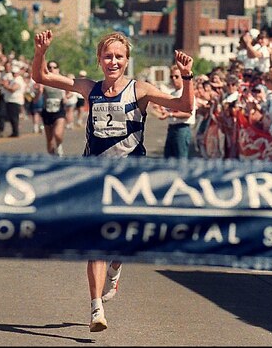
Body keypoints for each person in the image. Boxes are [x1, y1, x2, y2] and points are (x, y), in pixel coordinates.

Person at [32, 29, 194, 332]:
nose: (113, 61)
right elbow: (41, 77)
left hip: (129, 176)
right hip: (94, 174)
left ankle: (116, 267)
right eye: (108, 56)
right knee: (96, 241)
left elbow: (184, 106)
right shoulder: (88, 88)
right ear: (99, 59)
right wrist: (41, 51)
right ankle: (96, 309)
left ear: (127, 60)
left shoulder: (139, 90)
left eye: (119, 56)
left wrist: (187, 77)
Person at [158, 65, 197, 158]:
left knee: (180, 159)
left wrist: (170, 114)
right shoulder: (172, 93)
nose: (173, 79)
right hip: (172, 128)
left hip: (182, 128)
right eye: (172, 77)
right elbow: (168, 109)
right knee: (168, 158)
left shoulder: (187, 93)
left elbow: (188, 113)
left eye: (176, 76)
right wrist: (162, 110)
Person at [39, 60, 67, 155]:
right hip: (47, 110)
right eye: (50, 67)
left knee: (57, 134)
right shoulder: (43, 80)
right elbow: (36, 97)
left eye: (54, 67)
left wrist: (66, 97)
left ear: (58, 69)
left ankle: (59, 145)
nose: (52, 69)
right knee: (49, 140)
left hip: (59, 110)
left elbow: (70, 92)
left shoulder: (62, 80)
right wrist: (38, 91)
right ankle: (52, 159)